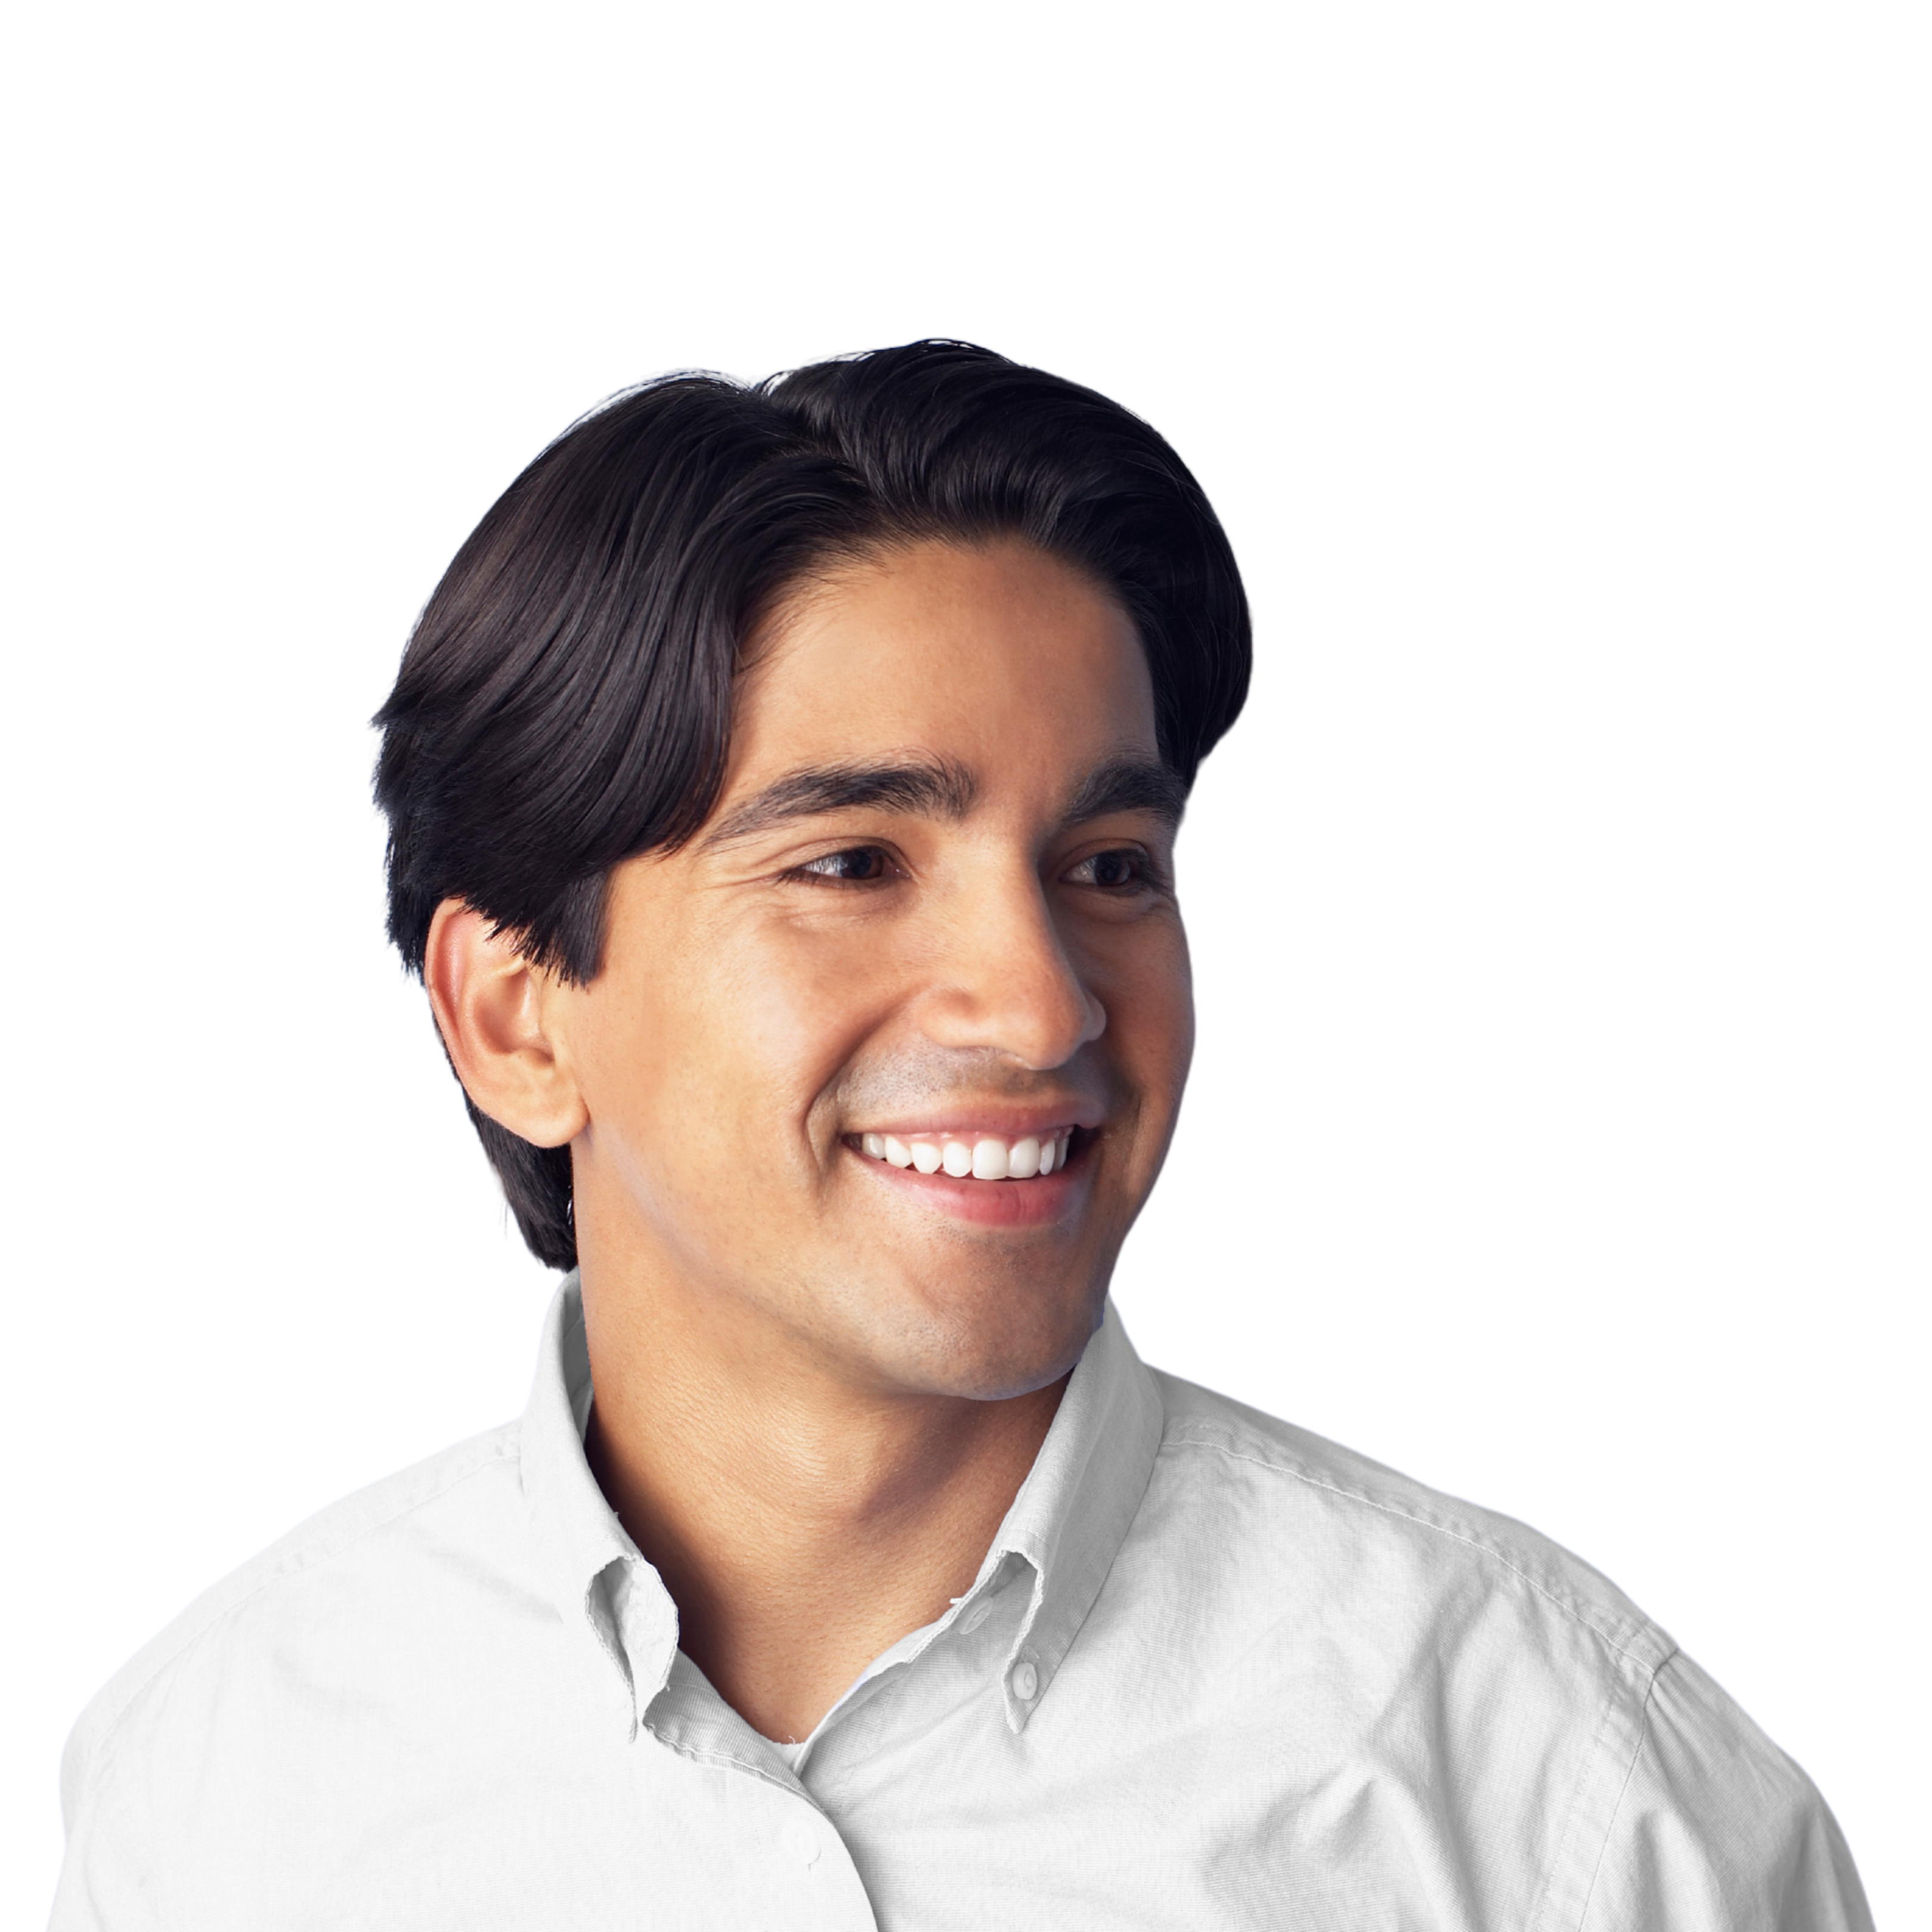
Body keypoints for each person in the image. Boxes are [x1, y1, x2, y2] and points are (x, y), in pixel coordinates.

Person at [48, 342, 1872, 1930]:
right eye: (854, 863)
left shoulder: (1569, 1789)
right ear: (520, 1015)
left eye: (1110, 867)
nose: (1043, 1006)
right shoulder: (215, 1776)